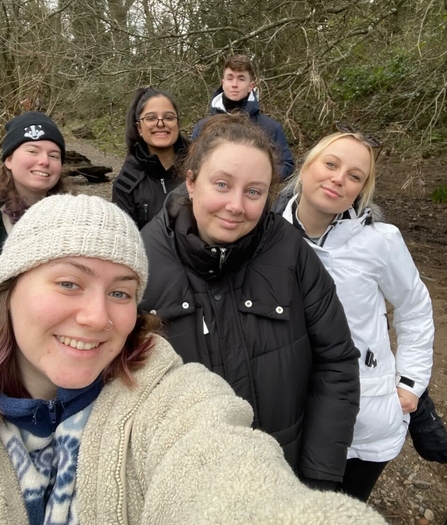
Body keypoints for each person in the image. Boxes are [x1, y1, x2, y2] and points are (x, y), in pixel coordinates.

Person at [0, 193, 388, 525]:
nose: (98, 317)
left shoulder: (166, 394)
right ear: (10, 287)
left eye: (121, 293)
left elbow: (220, 467)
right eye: (69, 284)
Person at [140, 113, 361, 491]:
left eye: (254, 192)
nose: (236, 205)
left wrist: (318, 477)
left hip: (283, 476)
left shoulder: (291, 253)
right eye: (222, 184)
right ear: (191, 182)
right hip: (185, 486)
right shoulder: (141, 260)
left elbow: (336, 361)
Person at [274, 127, 435, 501]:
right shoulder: (265, 234)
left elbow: (414, 308)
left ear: (361, 189)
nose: (338, 179)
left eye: (354, 176)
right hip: (289, 409)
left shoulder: (381, 241)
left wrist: (410, 383)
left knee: (346, 509)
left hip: (366, 413)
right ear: (307, 166)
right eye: (331, 164)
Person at [192, 54, 294, 180]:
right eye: (230, 78)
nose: (234, 84)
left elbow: (286, 165)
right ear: (223, 83)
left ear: (251, 85)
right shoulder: (203, 127)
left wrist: (258, 178)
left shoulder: (271, 127)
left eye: (241, 79)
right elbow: (192, 165)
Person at [112, 86, 189, 229]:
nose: (160, 124)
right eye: (151, 118)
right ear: (139, 128)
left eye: (168, 117)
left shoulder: (200, 166)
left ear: (177, 123)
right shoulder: (125, 185)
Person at [0, 110, 67, 250]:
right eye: (32, 151)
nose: (44, 161)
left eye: (53, 156)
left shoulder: (73, 214)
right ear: (9, 160)